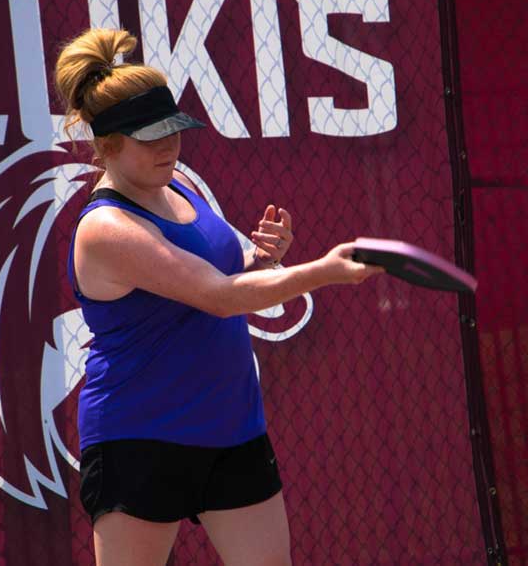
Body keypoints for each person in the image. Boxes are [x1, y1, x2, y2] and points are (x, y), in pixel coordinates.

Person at [55, 28, 382, 566]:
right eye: (150, 136)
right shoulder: (106, 229)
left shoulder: (178, 184)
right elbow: (219, 296)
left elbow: (235, 267)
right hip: (139, 439)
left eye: (174, 131)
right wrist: (321, 271)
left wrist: (265, 255)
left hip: (231, 428)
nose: (168, 146)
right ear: (109, 141)